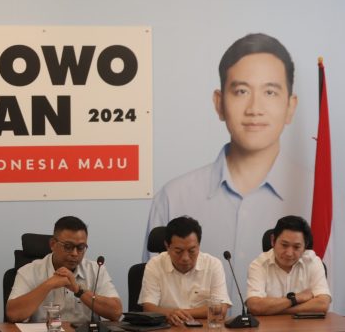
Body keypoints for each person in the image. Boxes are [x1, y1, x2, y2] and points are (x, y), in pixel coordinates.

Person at [144, 33, 310, 303]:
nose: (254, 109)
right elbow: (151, 296)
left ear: (290, 106)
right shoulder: (174, 196)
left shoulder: (320, 196)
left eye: (270, 92)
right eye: (241, 91)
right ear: (219, 103)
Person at [6, 216, 122, 323]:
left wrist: (79, 290)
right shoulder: (29, 271)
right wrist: (49, 284)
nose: (75, 253)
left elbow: (116, 313)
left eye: (80, 247)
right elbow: (13, 314)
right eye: (68, 246)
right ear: (53, 244)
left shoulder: (96, 270)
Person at [138, 216, 231, 326]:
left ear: (198, 246)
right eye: (178, 251)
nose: (185, 258)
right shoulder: (154, 265)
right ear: (167, 246)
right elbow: (148, 307)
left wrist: (177, 313)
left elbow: (221, 308)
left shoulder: (213, 265)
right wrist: (169, 314)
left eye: (192, 251)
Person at [246, 215, 330, 315]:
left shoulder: (313, 262)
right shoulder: (259, 264)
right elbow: (255, 306)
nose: (289, 253)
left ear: (305, 246)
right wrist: (296, 298)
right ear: (273, 240)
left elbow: (323, 304)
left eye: (296, 247)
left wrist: (277, 310)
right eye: (284, 245)